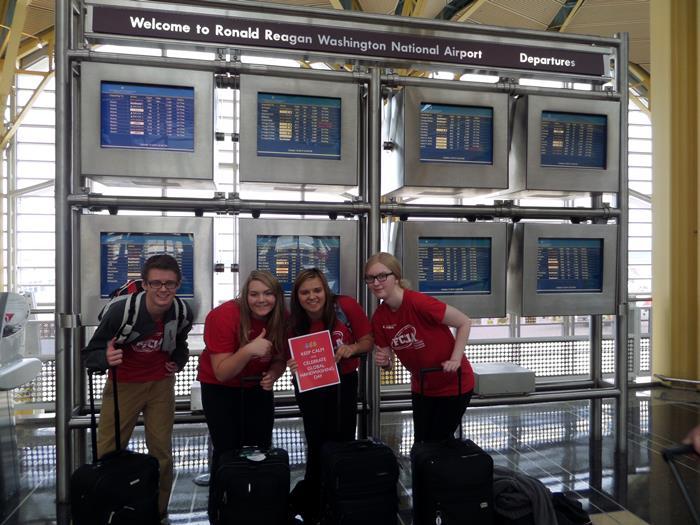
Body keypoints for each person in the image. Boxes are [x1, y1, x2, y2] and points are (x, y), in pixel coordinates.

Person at [82, 254, 193, 520]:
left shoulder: (181, 311)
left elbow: (180, 344)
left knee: (162, 451)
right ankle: (110, 507)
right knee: (109, 449)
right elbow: (90, 352)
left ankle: (157, 509)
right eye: (156, 283)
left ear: (178, 285)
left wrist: (177, 362)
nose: (163, 289)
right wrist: (105, 359)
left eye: (170, 283)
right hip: (123, 385)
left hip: (160, 385)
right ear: (144, 284)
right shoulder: (122, 311)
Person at [197, 270, 287, 521]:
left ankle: (258, 505)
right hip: (220, 389)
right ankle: (222, 509)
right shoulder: (224, 316)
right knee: (227, 450)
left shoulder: (282, 318)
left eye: (268, 294)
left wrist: (274, 373)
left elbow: (280, 358)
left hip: (257, 385)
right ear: (244, 295)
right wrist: (248, 350)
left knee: (261, 448)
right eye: (254, 294)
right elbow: (222, 372)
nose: (262, 300)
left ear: (277, 297)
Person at [286, 268, 374, 521]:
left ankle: (339, 495)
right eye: (305, 292)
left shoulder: (345, 307)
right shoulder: (293, 319)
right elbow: (286, 355)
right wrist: (292, 363)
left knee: (342, 440)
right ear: (297, 296)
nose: (312, 296)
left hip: (343, 384)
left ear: (326, 290)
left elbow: (368, 340)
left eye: (317, 290)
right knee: (315, 443)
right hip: (309, 385)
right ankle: (316, 500)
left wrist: (351, 348)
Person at [365, 252, 474, 442]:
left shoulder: (418, 303)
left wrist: (455, 359)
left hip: (454, 384)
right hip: (422, 387)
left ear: (396, 277)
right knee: (422, 442)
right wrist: (384, 362)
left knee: (439, 442)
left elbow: (464, 322)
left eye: (382, 276)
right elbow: (388, 363)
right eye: (370, 278)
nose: (376, 283)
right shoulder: (380, 318)